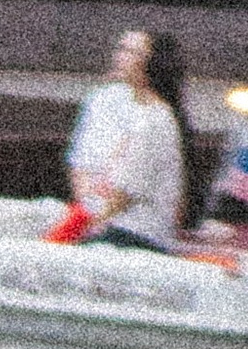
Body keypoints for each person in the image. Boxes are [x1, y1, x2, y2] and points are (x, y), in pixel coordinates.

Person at [59, 25, 190, 246]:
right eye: (121, 49)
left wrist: (90, 224)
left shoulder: (156, 121)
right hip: (117, 225)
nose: (120, 57)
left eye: (131, 52)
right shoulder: (133, 111)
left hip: (136, 234)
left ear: (151, 65)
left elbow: (126, 192)